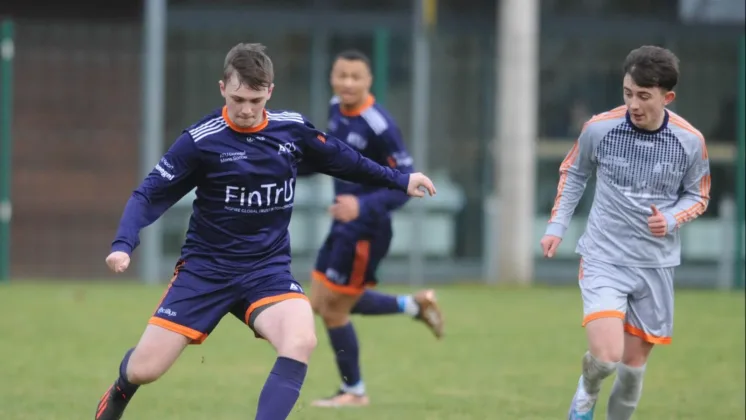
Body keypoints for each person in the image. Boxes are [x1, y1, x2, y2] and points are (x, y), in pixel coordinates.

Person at [93, 43, 436, 420]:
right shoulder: (200, 141)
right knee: (145, 370)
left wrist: (399, 180)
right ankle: (120, 392)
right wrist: (124, 243)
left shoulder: (291, 130)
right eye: (238, 97)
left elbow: (345, 160)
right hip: (206, 271)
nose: (246, 109)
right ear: (222, 87)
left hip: (266, 271)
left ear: (269, 92)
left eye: (255, 99)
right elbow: (148, 193)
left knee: (301, 340)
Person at [541, 45, 711, 420]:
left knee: (632, 372)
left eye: (644, 96)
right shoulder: (599, 128)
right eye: (628, 93)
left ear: (668, 97)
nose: (634, 104)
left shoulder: (690, 141)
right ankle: (586, 393)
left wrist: (670, 219)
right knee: (606, 358)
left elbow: (698, 197)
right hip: (604, 257)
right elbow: (574, 173)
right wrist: (557, 226)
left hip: (655, 265)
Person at [301, 50, 444, 408]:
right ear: (332, 77)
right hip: (342, 225)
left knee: (334, 309)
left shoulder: (380, 125)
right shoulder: (337, 108)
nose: (347, 83)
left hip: (367, 231)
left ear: (369, 81)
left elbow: (408, 185)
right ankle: (413, 306)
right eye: (341, 75)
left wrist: (362, 206)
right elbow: (331, 159)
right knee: (320, 300)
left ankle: (355, 391)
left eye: (355, 77)